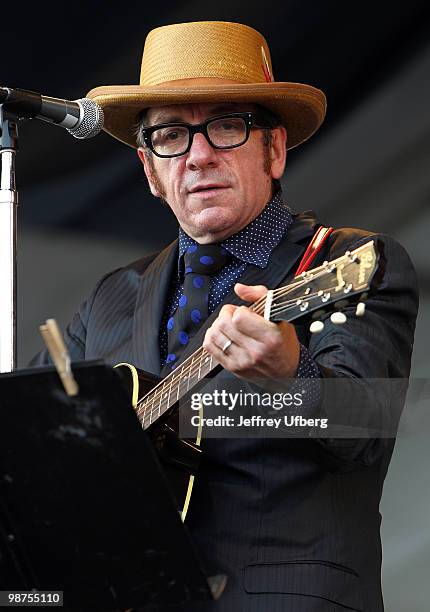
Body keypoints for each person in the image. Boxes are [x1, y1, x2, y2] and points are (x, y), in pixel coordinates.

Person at [31, 21, 418, 612]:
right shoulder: (113, 294)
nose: (199, 155)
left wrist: (290, 375)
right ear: (149, 171)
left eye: (226, 126)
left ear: (276, 149)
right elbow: (34, 434)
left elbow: (365, 427)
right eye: (170, 135)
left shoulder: (346, 260)